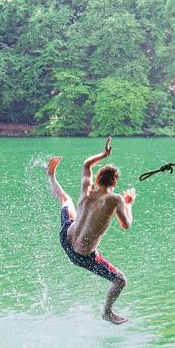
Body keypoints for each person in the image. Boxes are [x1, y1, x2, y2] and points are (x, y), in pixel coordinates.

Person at [46, 136, 136, 324]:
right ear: (115, 184)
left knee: (65, 200)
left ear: (97, 179)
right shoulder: (116, 199)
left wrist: (104, 154)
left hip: (65, 237)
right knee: (120, 281)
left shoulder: (87, 191)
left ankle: (51, 176)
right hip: (82, 255)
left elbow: (87, 164)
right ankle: (107, 312)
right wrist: (129, 204)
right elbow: (126, 224)